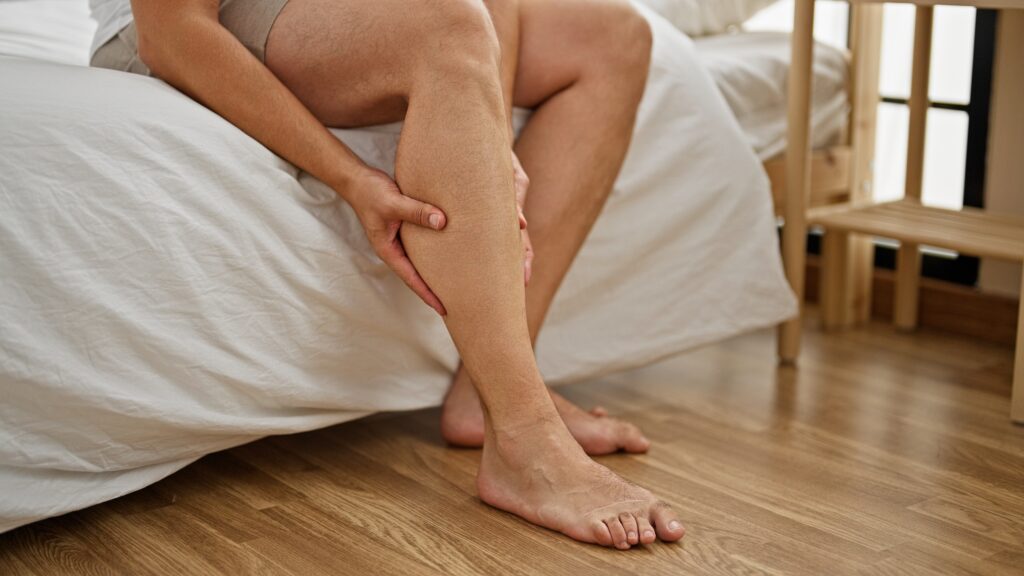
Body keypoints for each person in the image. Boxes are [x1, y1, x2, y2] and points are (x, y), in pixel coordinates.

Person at [89, 0, 685, 549]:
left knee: (614, 36)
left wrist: (490, 132)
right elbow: (170, 32)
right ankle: (525, 438)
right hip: (194, 22)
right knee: (446, 26)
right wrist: (349, 176)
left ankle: (488, 396)